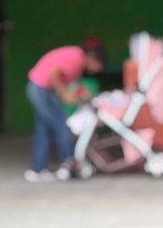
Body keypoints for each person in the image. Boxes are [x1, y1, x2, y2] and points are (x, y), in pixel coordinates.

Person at [24, 38, 106, 182]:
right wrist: (65, 94)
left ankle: (37, 170)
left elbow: (73, 82)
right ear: (93, 58)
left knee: (44, 129)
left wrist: (81, 94)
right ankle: (68, 163)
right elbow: (54, 74)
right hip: (41, 88)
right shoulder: (77, 57)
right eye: (99, 65)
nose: (96, 70)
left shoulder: (78, 62)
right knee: (59, 124)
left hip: (44, 89)